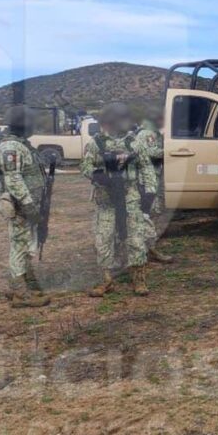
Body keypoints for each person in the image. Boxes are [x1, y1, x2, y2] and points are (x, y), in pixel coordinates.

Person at [80, 102, 158, 297]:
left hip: (130, 195)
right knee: (104, 238)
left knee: (135, 238)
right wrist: (98, 176)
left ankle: (138, 278)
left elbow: (146, 167)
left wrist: (150, 192)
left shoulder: (134, 143)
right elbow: (85, 166)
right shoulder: (96, 143)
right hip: (106, 199)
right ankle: (106, 280)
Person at [0, 105, 50, 308]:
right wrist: (28, 205)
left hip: (27, 204)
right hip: (21, 206)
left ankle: (21, 285)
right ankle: (20, 293)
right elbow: (14, 179)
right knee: (20, 246)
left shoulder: (20, 145)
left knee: (24, 244)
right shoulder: (11, 147)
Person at [138, 108, 174, 264]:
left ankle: (146, 248)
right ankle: (147, 249)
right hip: (147, 179)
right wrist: (170, 149)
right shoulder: (147, 134)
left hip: (151, 178)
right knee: (146, 213)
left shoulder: (152, 133)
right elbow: (152, 152)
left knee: (150, 212)